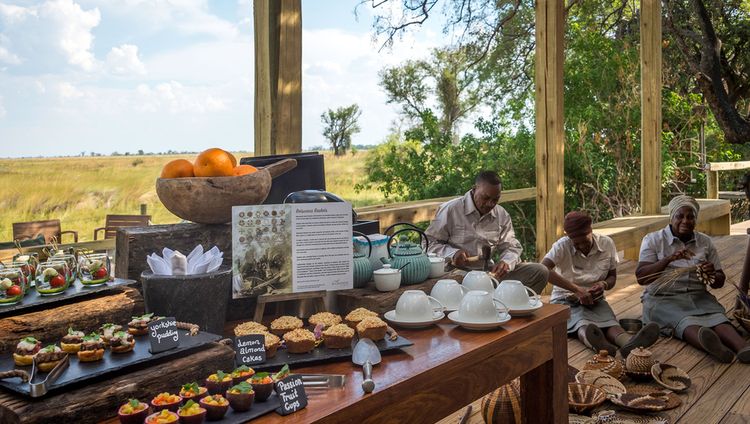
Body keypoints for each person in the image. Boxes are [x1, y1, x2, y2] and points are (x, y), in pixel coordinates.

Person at [636, 195, 750, 363]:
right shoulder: (653, 240)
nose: (685, 221)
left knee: (718, 319)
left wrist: (711, 273)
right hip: (663, 298)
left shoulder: (705, 242)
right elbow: (642, 277)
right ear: (671, 217)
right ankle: (714, 347)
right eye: (680, 216)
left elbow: (719, 281)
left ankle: (743, 348)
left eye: (690, 217)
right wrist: (668, 259)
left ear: (696, 219)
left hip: (698, 297)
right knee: (686, 323)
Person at [544, 211, 659, 358]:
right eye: (575, 243)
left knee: (610, 322)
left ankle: (629, 344)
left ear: (590, 231)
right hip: (565, 298)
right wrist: (577, 290)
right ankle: (599, 345)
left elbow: (612, 277)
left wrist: (603, 285)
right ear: (568, 237)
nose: (580, 246)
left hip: (594, 299)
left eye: (583, 241)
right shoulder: (561, 246)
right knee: (581, 323)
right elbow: (543, 270)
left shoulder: (606, 243)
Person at [424, 170, 548, 294]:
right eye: (486, 198)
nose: (490, 204)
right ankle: (493, 301)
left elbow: (512, 246)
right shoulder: (451, 210)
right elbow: (427, 244)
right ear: (474, 189)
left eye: (495, 199)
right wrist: (453, 254)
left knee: (539, 271)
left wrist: (506, 262)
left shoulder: (501, 214)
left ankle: (511, 307)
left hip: (489, 274)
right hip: (457, 276)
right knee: (467, 286)